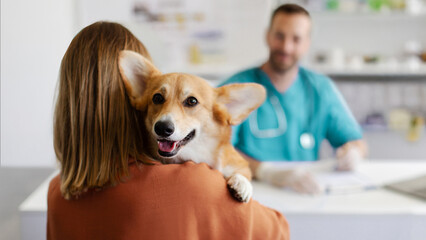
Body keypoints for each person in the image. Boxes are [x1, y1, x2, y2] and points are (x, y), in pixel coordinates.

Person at [48, 21, 289, 240]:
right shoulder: (195, 183)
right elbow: (278, 231)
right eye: (157, 98)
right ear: (135, 98)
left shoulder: (58, 193)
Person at [221, 4, 367, 194]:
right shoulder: (237, 88)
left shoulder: (321, 89)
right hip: (249, 191)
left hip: (304, 190)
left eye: (296, 39)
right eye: (279, 36)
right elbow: (218, 150)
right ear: (268, 36)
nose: (286, 47)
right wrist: (266, 172)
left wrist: (354, 153)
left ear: (307, 43)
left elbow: (355, 141)